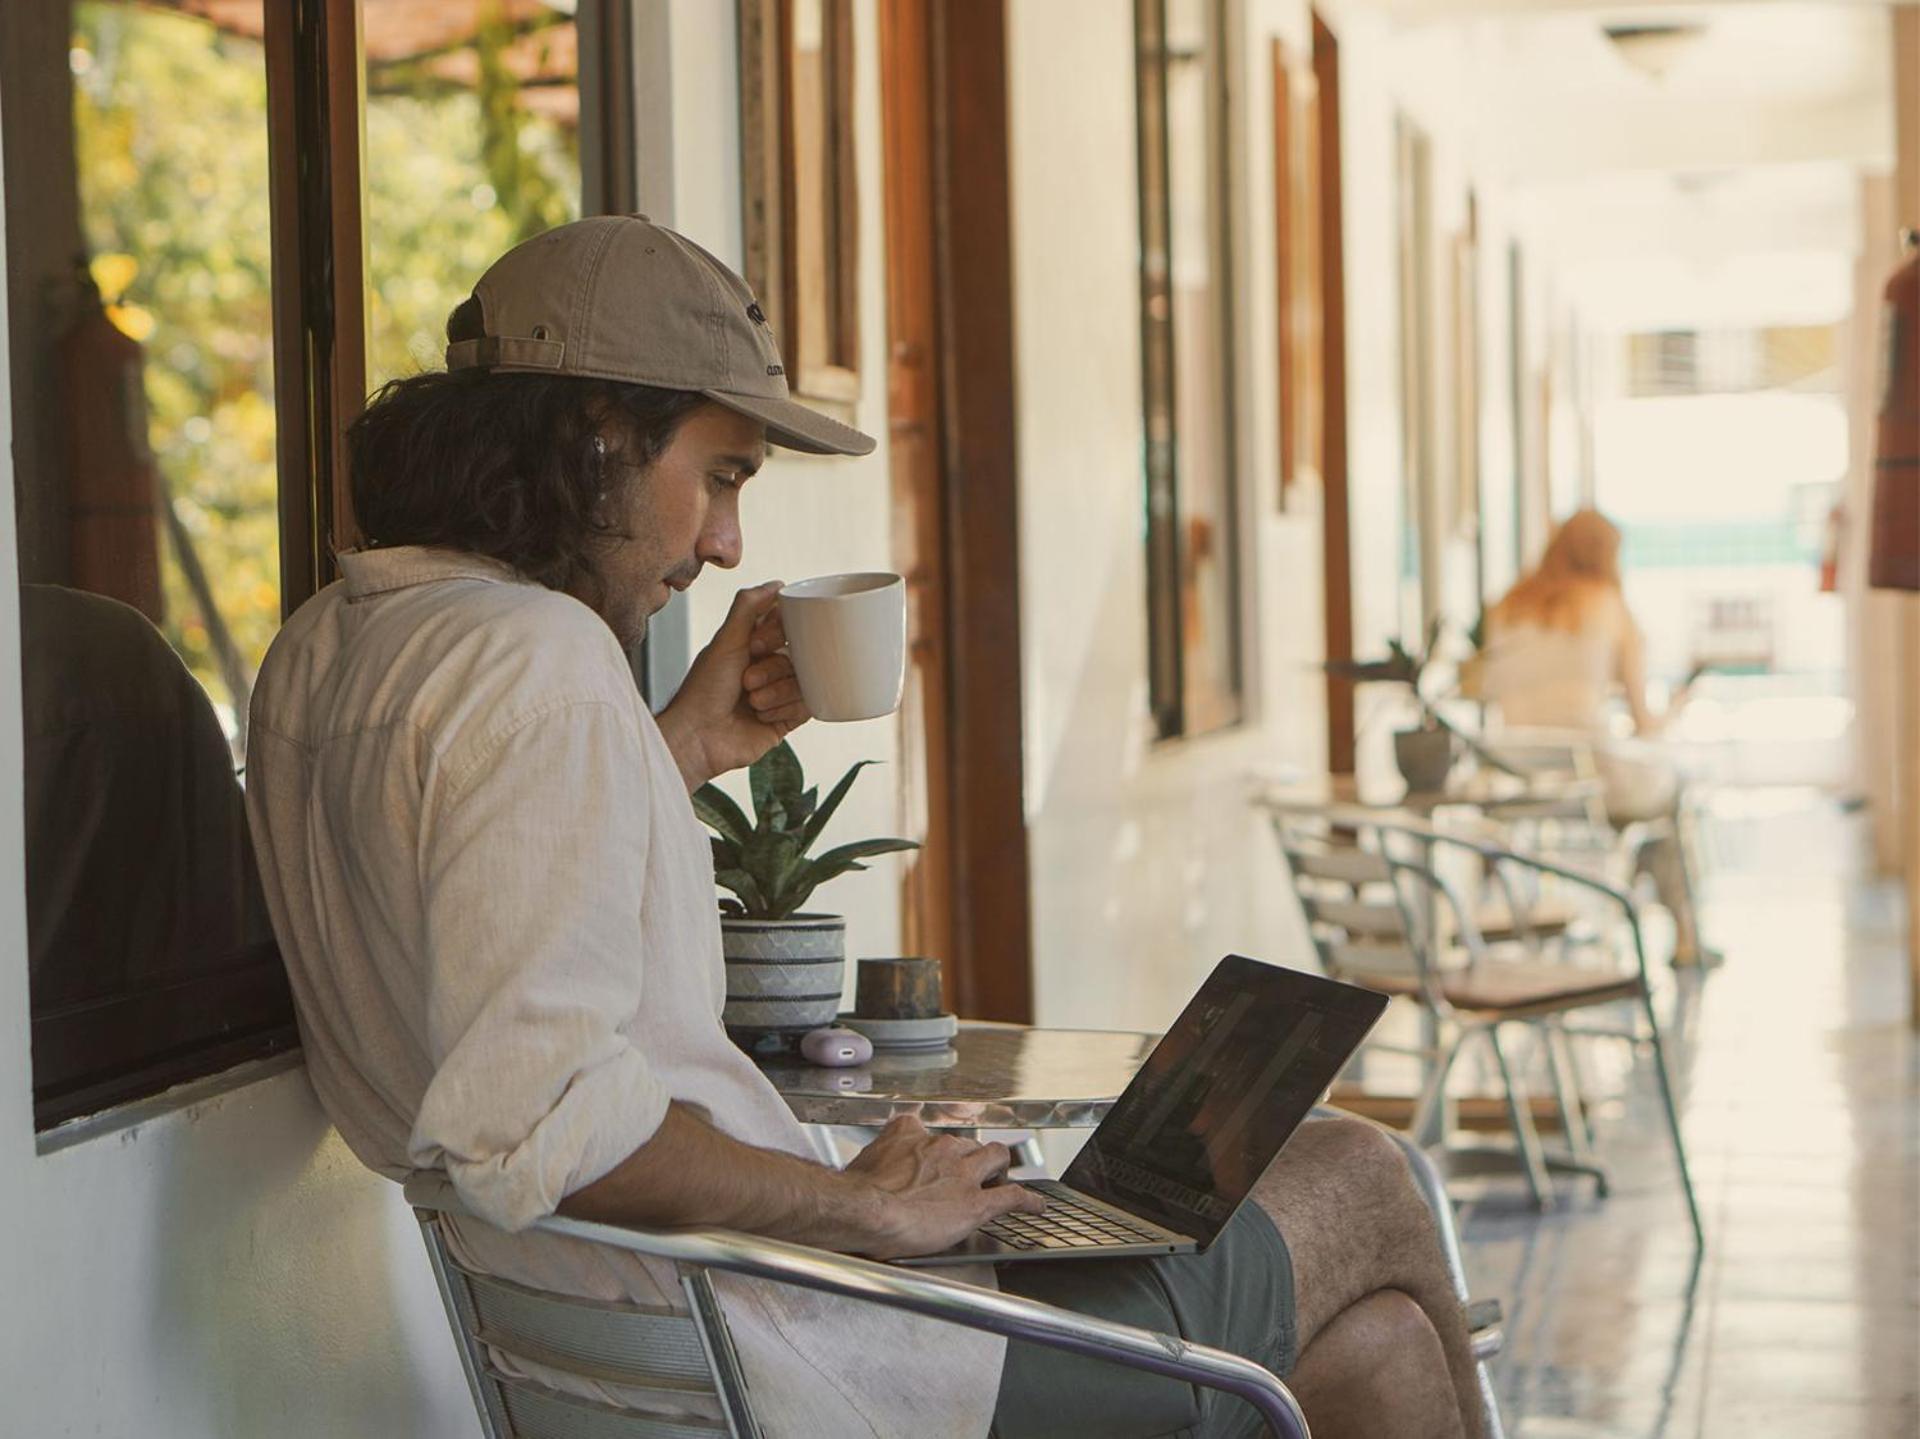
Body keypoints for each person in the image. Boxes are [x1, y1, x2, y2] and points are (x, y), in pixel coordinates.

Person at [244, 215, 1487, 1439]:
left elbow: (470, 905)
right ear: (600, 435)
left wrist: (680, 746)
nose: (725, 545)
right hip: (821, 1360)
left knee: (1374, 1351)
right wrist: (867, 1206)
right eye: (720, 477)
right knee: (1367, 1177)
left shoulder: (334, 648)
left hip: (630, 1361)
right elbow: (552, 1129)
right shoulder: (545, 664)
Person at [1478, 508, 1715, 966]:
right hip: (1593, 786)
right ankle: (1686, 936)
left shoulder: (1507, 605)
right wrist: (1677, 706)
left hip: (1524, 790)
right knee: (1671, 796)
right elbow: (1645, 723)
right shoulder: (1607, 604)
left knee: (1646, 803)